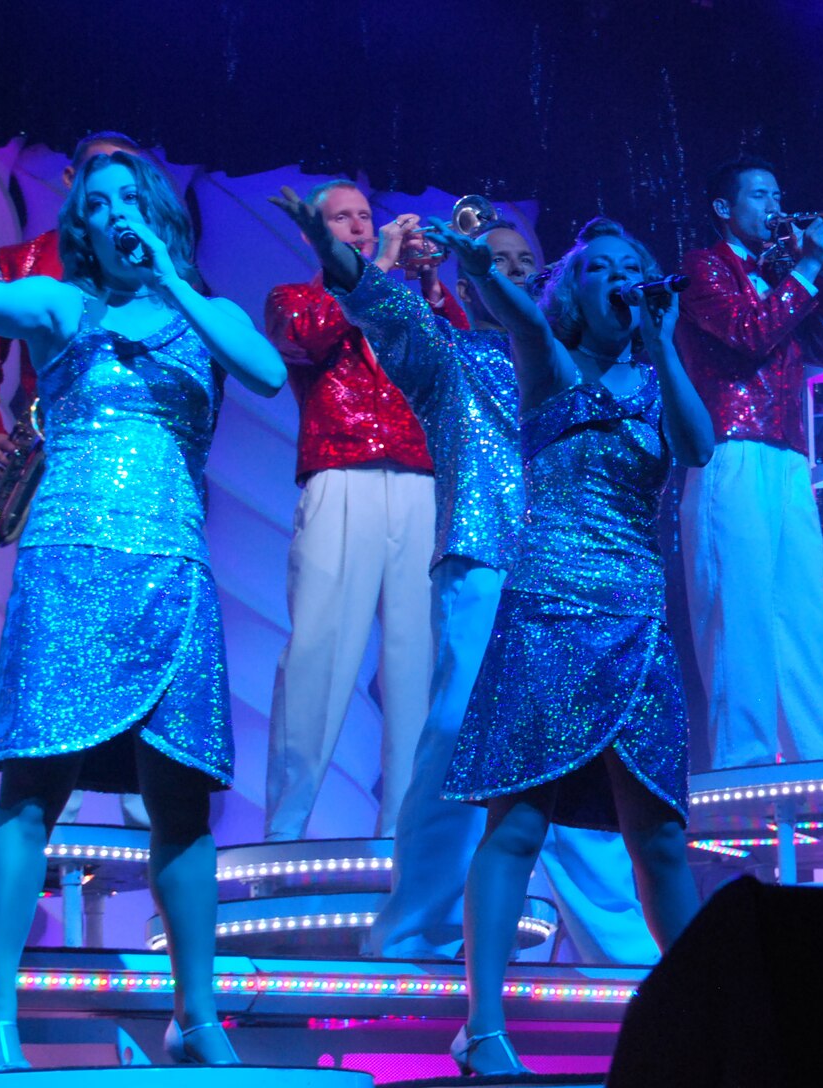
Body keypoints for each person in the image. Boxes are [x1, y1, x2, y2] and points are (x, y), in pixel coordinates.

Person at [264, 193, 656, 965]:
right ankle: (416, 932)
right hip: (482, 571)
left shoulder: (595, 379)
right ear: (474, 282)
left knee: (576, 761)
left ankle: (622, 948)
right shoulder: (460, 360)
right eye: (494, 261)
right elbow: (391, 316)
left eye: (525, 265)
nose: (509, 271)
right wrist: (346, 259)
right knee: (452, 746)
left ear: (551, 285)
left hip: (576, 587)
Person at [0, 153, 286, 1069]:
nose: (113, 215)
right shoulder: (65, 307)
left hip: (173, 575)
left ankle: (199, 1017)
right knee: (31, 794)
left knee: (182, 804)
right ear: (83, 232)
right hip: (70, 570)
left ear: (160, 220)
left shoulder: (203, 315)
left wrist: (172, 281)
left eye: (129, 201)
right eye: (95, 207)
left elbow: (261, 372)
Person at [439, 218, 714, 1074]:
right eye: (600, 267)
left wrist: (664, 342)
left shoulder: (658, 376)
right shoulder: (550, 366)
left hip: (636, 629)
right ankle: (483, 1025)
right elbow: (516, 316)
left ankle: (706, 1021)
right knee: (517, 826)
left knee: (659, 839)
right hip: (549, 620)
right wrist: (482, 270)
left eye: (635, 266)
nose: (621, 279)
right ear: (572, 289)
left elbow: (699, 445)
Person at [262, 179, 465, 841]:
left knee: (416, 666)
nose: (357, 226)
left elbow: (464, 361)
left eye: (364, 217)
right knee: (319, 652)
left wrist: (430, 283)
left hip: (418, 484)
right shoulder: (293, 297)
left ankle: (405, 836)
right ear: (314, 233)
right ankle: (285, 832)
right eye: (342, 220)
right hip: (340, 478)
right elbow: (312, 335)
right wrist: (374, 265)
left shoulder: (411, 304)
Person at [675, 155, 823, 768]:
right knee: (742, 611)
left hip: (788, 456)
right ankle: (745, 758)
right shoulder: (703, 268)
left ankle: (815, 747)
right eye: (760, 195)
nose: (775, 206)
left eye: (778, 193)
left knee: (803, 609)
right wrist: (808, 268)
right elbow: (748, 332)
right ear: (724, 210)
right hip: (729, 451)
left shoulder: (785, 274)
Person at [0, 131, 141, 476]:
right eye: (98, 169)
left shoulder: (155, 268)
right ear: (71, 177)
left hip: (134, 450)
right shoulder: (23, 262)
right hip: (51, 452)